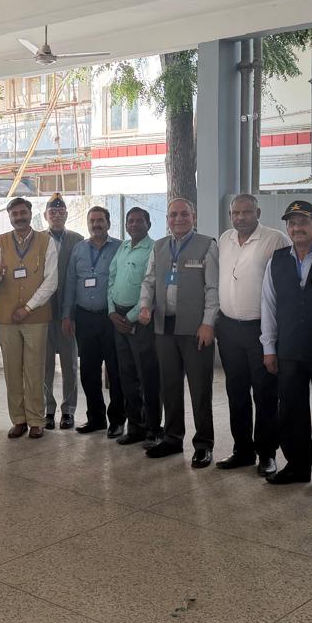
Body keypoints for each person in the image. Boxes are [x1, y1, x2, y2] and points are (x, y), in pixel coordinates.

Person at [260, 201, 312, 494]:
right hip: (290, 350)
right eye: (292, 223)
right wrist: (268, 347)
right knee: (291, 411)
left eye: (303, 222)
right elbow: (268, 305)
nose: (297, 228)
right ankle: (297, 466)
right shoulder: (277, 260)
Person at [138, 197, 219, 467]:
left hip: (196, 329)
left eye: (184, 214)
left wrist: (208, 323)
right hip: (164, 326)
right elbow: (149, 280)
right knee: (169, 386)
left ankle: (203, 444)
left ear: (193, 217)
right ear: (167, 219)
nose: (178, 219)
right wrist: (145, 305)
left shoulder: (207, 245)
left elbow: (213, 288)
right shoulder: (159, 246)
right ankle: (172, 438)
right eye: (173, 215)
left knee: (200, 388)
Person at [215, 193, 290, 477]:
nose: (240, 217)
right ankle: (242, 450)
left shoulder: (275, 239)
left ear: (257, 213)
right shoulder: (225, 239)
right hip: (229, 328)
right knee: (236, 392)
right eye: (235, 213)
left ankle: (267, 453)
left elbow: (284, 288)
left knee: (265, 394)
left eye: (246, 212)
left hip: (261, 330)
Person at [0, 197, 59, 438]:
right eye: (14, 214)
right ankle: (18, 420)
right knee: (12, 370)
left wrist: (28, 308)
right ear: (9, 217)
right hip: (7, 317)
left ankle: (36, 420)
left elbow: (51, 281)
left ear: (30, 213)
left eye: (22, 213)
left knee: (35, 369)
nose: (19, 217)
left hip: (36, 317)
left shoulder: (46, 242)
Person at [61, 206, 123, 436]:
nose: (96, 224)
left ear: (108, 223)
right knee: (88, 371)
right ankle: (96, 418)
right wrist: (67, 315)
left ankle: (117, 420)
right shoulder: (79, 249)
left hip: (111, 317)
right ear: (88, 224)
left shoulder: (119, 248)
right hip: (84, 317)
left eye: (100, 220)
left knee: (115, 371)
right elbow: (70, 283)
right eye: (92, 221)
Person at [106, 206, 160, 445]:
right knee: (126, 376)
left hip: (141, 320)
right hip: (118, 319)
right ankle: (135, 427)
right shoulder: (123, 247)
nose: (134, 224)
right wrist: (111, 312)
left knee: (147, 376)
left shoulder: (154, 249)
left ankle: (152, 429)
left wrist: (130, 317)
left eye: (139, 221)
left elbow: (152, 287)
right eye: (131, 221)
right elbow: (111, 280)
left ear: (148, 224)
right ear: (126, 225)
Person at [41, 193, 83, 430]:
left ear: (66, 214)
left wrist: (72, 312)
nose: (56, 215)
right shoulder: (38, 239)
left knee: (69, 364)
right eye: (52, 212)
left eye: (60, 211)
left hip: (68, 312)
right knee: (45, 364)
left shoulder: (77, 240)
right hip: (44, 311)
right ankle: (48, 409)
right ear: (45, 215)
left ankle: (68, 410)